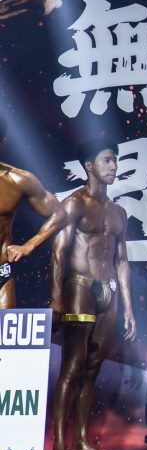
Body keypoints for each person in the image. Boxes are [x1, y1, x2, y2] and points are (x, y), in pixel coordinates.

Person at [49, 139, 138, 450]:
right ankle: (60, 446)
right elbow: (58, 252)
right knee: (73, 366)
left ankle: (81, 444)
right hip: (79, 287)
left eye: (115, 160)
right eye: (107, 160)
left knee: (92, 369)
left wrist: (128, 307)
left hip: (108, 291)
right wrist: (56, 298)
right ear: (89, 166)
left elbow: (122, 261)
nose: (113, 166)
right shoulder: (74, 204)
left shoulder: (119, 212)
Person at [0, 115, 66, 308]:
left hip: (1, 274)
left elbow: (59, 214)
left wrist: (30, 245)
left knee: (4, 328)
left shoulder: (18, 180)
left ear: (2, 144)